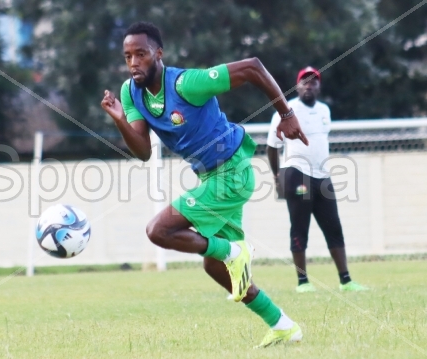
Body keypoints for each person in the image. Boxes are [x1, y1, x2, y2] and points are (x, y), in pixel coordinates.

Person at [101, 21, 308, 348]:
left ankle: (234, 250)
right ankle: (282, 325)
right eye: (128, 56)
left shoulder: (186, 84)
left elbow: (253, 67)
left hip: (233, 171)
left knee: (159, 231)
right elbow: (141, 150)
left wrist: (286, 114)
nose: (133, 63)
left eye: (141, 54)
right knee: (216, 267)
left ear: (158, 53)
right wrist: (120, 120)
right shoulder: (131, 92)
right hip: (212, 177)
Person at [267, 66, 368, 293]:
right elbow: (272, 147)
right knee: (300, 227)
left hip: (323, 176)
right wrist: (276, 176)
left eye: (313, 82)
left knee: (334, 227)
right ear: (298, 85)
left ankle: (346, 280)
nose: (309, 85)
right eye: (305, 81)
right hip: (296, 173)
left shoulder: (324, 110)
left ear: (319, 87)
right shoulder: (286, 110)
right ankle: (303, 282)